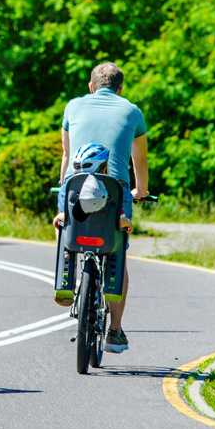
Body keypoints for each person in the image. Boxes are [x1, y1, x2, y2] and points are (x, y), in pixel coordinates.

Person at [53, 62, 148, 354]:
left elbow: (67, 154)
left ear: (91, 87)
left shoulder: (72, 106)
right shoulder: (132, 111)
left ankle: (66, 277)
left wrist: (63, 190)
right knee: (117, 252)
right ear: (120, 89)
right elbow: (139, 160)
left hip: (75, 187)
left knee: (64, 225)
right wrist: (141, 192)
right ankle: (114, 332)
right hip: (115, 191)